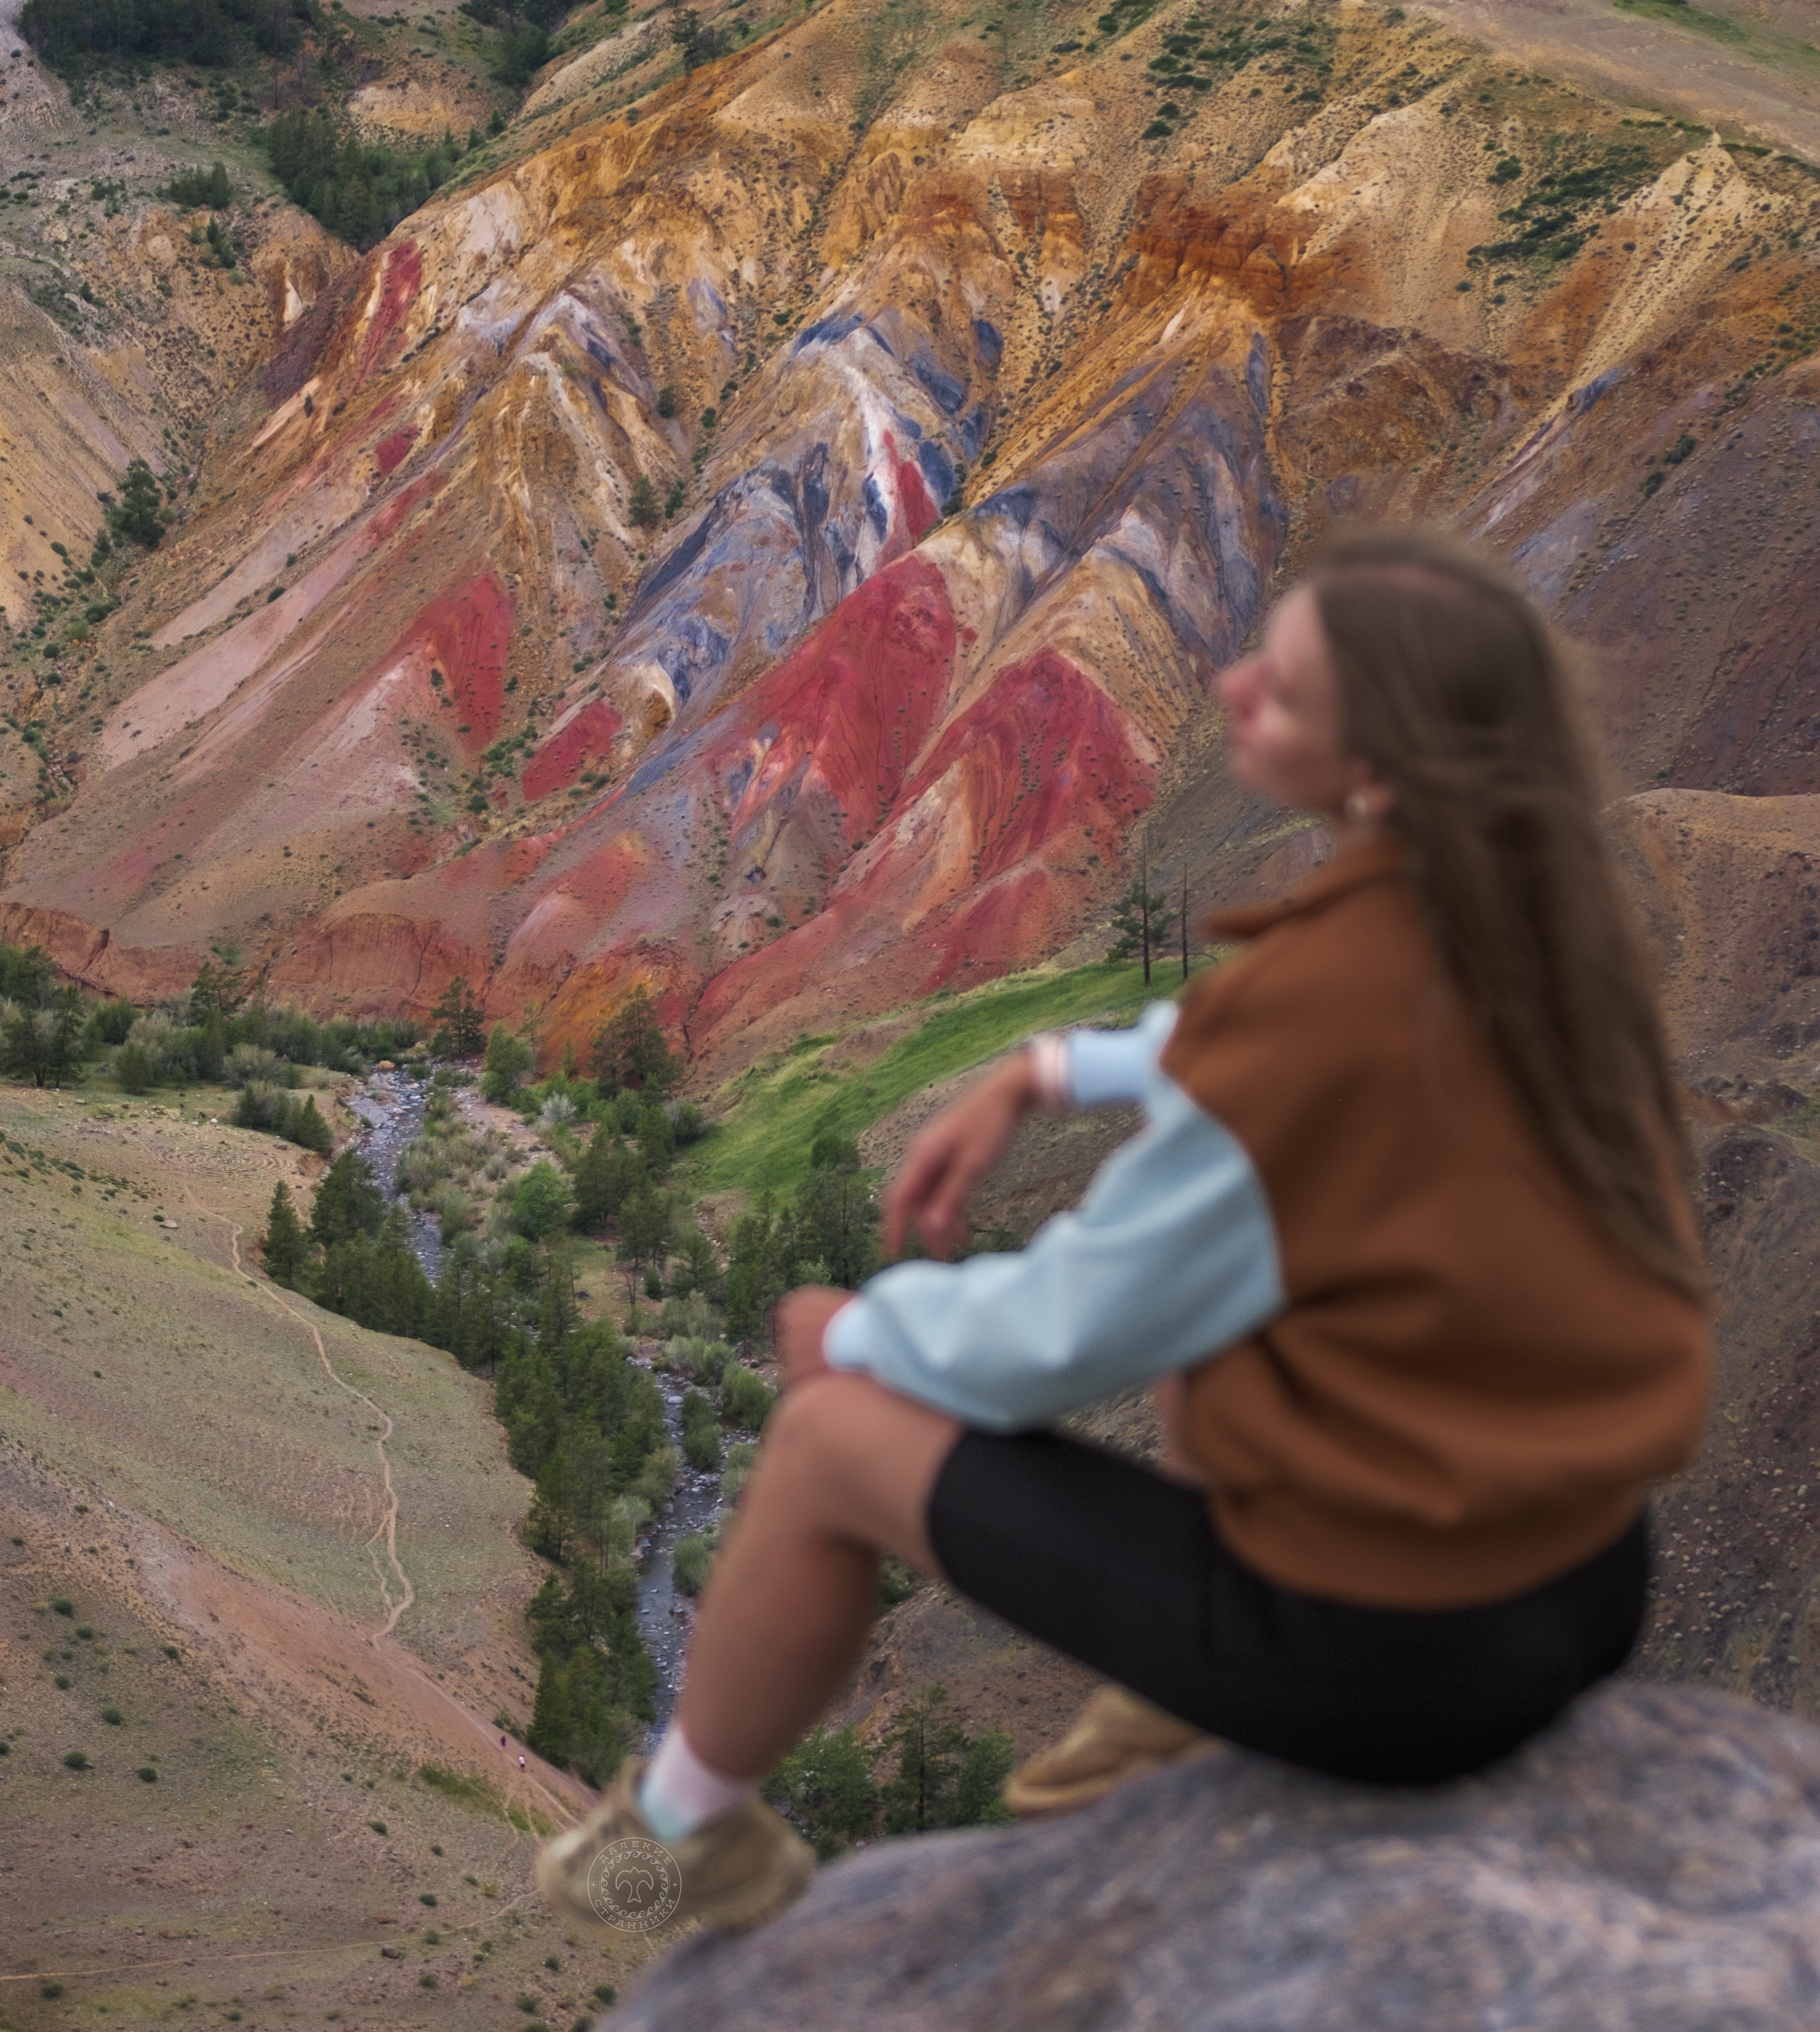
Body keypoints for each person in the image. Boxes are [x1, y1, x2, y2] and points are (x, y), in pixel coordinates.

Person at [536, 532, 1712, 1935]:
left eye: (1279, 688)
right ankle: (1196, 1718)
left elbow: (1052, 1337)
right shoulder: (1525, 930)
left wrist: (846, 1332)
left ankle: (681, 1842)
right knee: (1248, 1367)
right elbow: (1304, 1057)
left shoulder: (1320, 1021)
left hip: (1403, 1653)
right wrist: (1056, 1069)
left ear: (1381, 771)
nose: (1226, 687)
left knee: (826, 1439)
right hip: (1579, 1577)